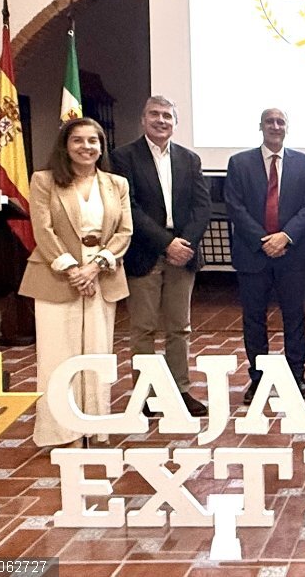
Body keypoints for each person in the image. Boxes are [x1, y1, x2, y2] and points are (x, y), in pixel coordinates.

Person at [19, 118, 132, 448]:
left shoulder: (116, 183)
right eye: (78, 140)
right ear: (65, 146)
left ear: (101, 146)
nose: (86, 147)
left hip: (101, 277)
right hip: (57, 276)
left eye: (93, 141)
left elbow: (124, 232)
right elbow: (42, 229)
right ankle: (61, 431)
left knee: (97, 353)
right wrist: (72, 269)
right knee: (59, 354)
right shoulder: (44, 180)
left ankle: (94, 425)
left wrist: (95, 267)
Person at [111, 96, 211, 417]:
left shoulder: (189, 159)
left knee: (179, 327)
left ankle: (179, 391)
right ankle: (145, 393)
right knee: (143, 328)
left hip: (184, 253)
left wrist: (184, 243)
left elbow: (201, 206)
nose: (161, 120)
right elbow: (131, 209)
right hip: (146, 253)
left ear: (175, 123)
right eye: (154, 114)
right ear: (143, 119)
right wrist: (166, 244)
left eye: (167, 116)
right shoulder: (123, 157)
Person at [224, 108, 305, 404]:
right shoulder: (239, 163)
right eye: (270, 122)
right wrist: (263, 239)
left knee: (295, 317)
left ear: (287, 128)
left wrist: (285, 236)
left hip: (291, 253)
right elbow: (234, 205)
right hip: (254, 253)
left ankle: (296, 375)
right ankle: (258, 378)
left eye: (280, 122)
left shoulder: (303, 163)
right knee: (254, 319)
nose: (275, 126)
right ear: (260, 126)